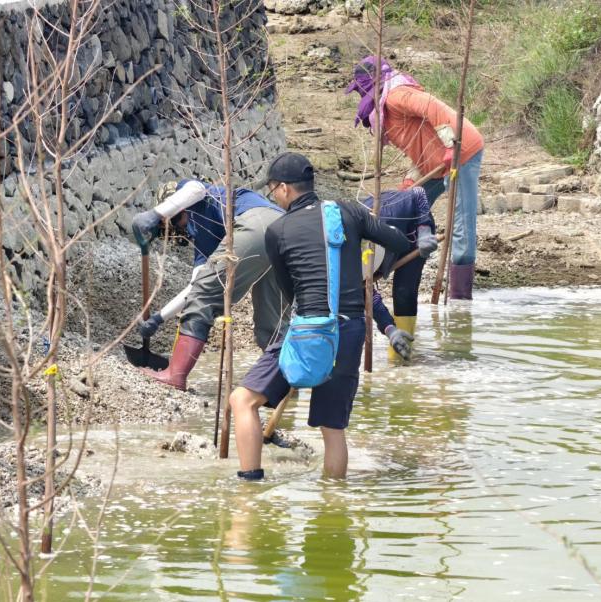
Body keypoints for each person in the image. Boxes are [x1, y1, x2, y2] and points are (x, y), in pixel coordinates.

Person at [228, 152, 411, 480]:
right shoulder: (349, 211)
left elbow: (289, 292)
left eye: (273, 191)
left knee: (242, 401)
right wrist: (370, 271)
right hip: (350, 331)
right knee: (333, 430)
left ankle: (250, 491)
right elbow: (398, 241)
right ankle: (334, 501)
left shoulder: (278, 230)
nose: (274, 198)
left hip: (308, 330)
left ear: (284, 188)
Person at [346, 56, 485, 299]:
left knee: (461, 224)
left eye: (361, 90)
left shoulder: (397, 95)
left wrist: (451, 144)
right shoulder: (384, 111)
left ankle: (461, 298)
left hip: (461, 152)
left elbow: (434, 108)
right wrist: (410, 183)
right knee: (405, 206)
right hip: (434, 162)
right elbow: (419, 147)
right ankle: (395, 258)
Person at [131, 179, 288, 390]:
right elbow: (194, 287)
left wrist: (155, 214)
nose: (179, 227)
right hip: (286, 231)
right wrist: (159, 318)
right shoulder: (206, 241)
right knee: (273, 322)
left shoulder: (198, 196)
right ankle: (281, 386)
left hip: (257, 222)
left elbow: (196, 188)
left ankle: (174, 376)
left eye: (174, 220)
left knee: (204, 298)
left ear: (177, 206)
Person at [364, 187, 438, 362]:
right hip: (378, 250)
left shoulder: (393, 211)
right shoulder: (346, 259)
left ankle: (402, 359)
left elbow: (419, 193)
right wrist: (389, 329)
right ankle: (397, 343)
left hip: (414, 235)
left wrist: (425, 229)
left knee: (404, 292)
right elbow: (366, 293)